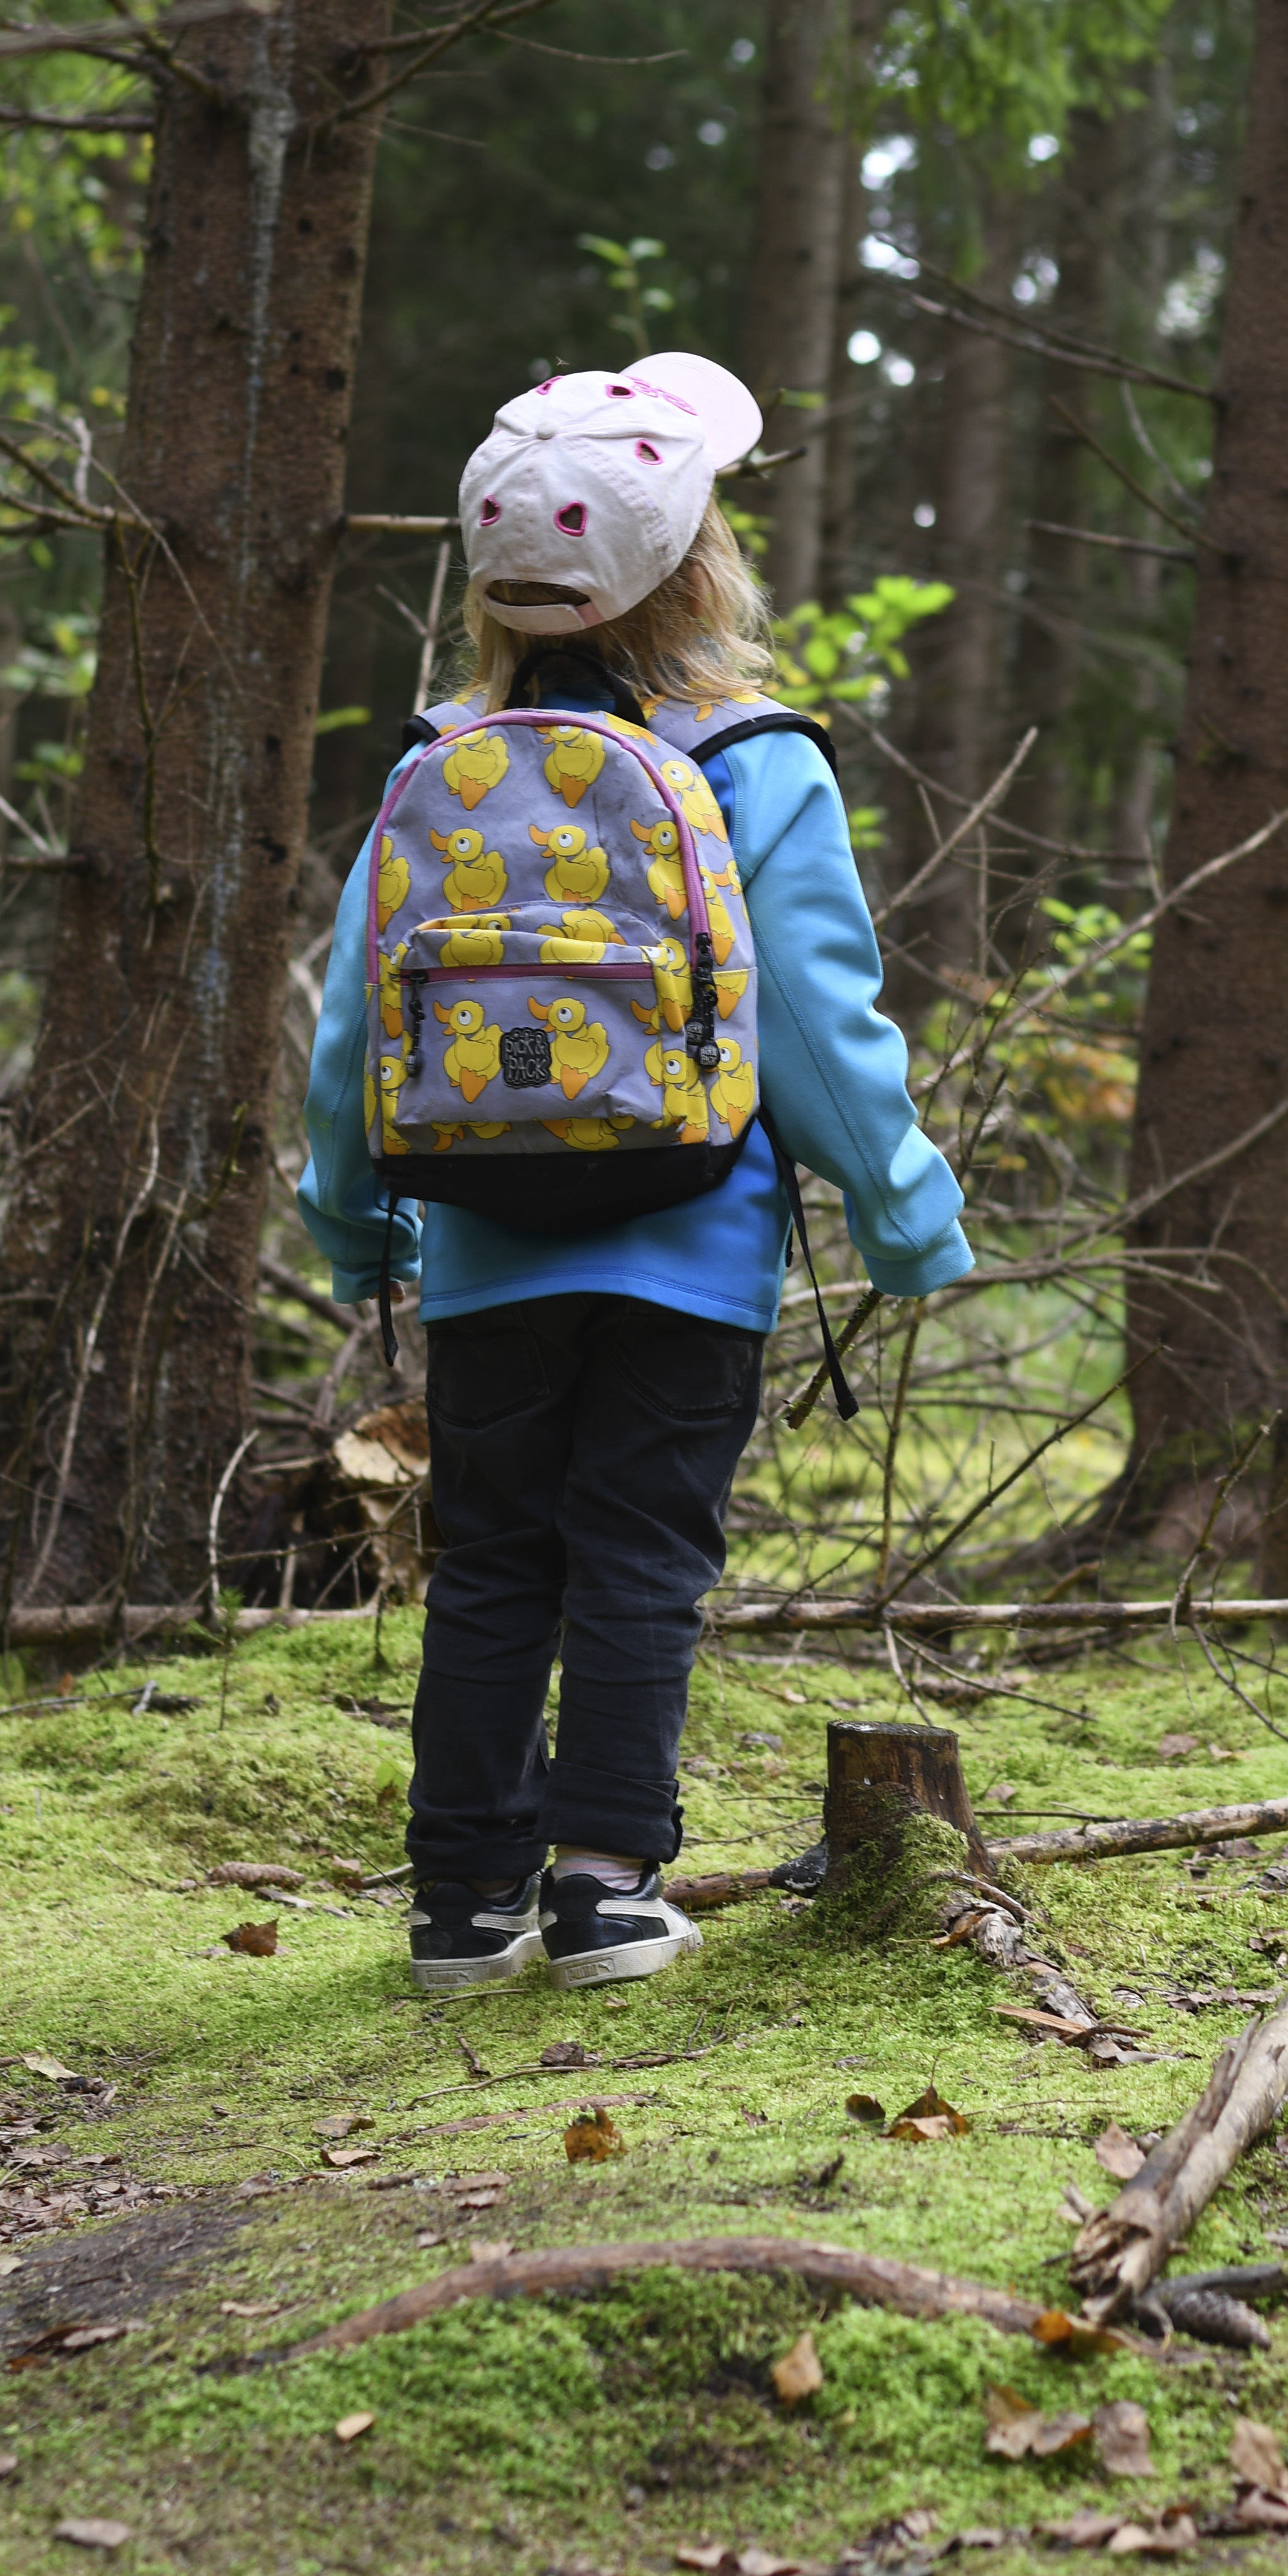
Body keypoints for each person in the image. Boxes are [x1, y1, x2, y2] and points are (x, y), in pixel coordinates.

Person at [299, 352, 971, 1994]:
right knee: (640, 1562)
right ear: (694, 565)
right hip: (691, 1242)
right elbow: (817, 1030)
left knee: (495, 1559)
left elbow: (350, 1025)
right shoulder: (753, 758)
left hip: (482, 1242)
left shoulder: (434, 765)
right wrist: (904, 1217)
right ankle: (602, 1888)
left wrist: (353, 1215)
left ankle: (459, 1900)